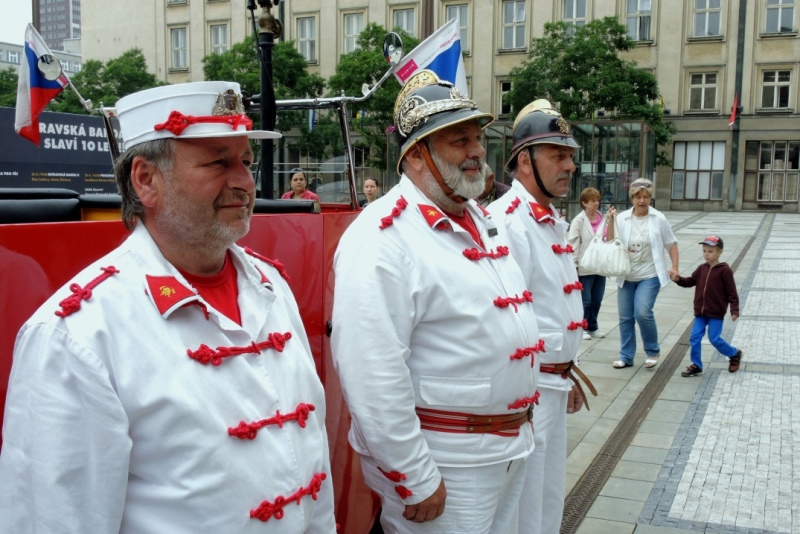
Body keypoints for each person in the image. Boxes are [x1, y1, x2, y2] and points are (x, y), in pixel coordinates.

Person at [0, 82, 336, 533]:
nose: (244, 181)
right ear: (146, 180)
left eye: (246, 161)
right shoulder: (76, 335)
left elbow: (311, 457)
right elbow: (53, 519)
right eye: (218, 162)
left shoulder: (270, 285)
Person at [331, 70, 541, 533]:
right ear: (416, 153)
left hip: (504, 449)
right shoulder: (382, 237)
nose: (477, 151)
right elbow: (371, 371)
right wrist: (413, 474)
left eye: (477, 138)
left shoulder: (478, 217)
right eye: (459, 140)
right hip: (447, 462)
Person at [487, 99, 597, 534]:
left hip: (552, 382)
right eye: (558, 155)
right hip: (528, 393)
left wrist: (569, 371)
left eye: (570, 155)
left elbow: (552, 307)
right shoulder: (507, 222)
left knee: (548, 497)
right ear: (524, 161)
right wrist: (536, 385)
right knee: (523, 508)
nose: (570, 165)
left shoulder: (547, 217)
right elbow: (506, 321)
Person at [612, 178, 679, 369]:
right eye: (638, 197)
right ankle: (626, 356)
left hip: (650, 274)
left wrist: (675, 267)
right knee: (625, 317)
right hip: (626, 274)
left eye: (646, 197)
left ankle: (652, 350)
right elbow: (609, 240)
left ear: (650, 198)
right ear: (632, 198)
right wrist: (609, 221)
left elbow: (671, 243)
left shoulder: (658, 218)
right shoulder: (622, 218)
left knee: (642, 312)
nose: (642, 201)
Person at [671, 235, 742, 376]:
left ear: (719, 252)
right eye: (704, 251)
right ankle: (696, 365)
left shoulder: (725, 271)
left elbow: (732, 292)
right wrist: (678, 279)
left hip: (716, 313)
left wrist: (734, 309)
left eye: (710, 251)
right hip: (700, 313)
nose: (706, 254)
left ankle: (734, 353)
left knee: (714, 339)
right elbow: (690, 281)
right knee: (694, 337)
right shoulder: (701, 268)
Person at [567, 187, 617, 340]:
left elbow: (610, 238)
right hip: (585, 266)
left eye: (597, 200)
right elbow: (573, 244)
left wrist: (611, 220)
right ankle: (581, 327)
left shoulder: (602, 217)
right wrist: (574, 266)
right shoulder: (578, 221)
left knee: (597, 299)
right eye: (592, 201)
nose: (596, 203)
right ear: (584, 203)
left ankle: (592, 327)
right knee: (585, 300)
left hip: (600, 265)